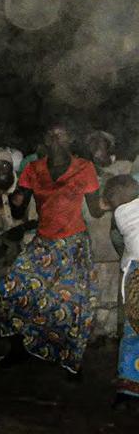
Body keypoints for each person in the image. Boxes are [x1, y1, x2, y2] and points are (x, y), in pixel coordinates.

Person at [0, 124, 100, 375]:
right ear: (44, 140)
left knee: (71, 303)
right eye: (50, 135)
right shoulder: (33, 169)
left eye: (61, 134)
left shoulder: (85, 167)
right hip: (43, 242)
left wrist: (120, 198)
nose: (55, 139)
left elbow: (96, 210)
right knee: (10, 287)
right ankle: (18, 348)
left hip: (73, 243)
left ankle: (71, 362)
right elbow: (19, 211)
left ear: (71, 139)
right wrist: (16, 200)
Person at [84, 130, 128, 339]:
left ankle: (112, 330)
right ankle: (97, 329)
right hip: (94, 239)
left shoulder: (124, 168)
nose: (96, 149)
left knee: (115, 288)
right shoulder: (85, 172)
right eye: (92, 145)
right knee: (95, 288)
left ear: (110, 146)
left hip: (118, 241)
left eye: (100, 144)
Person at [99, 175, 139, 405]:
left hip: (134, 273)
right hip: (135, 273)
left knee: (132, 333)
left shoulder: (120, 215)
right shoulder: (125, 213)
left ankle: (128, 388)